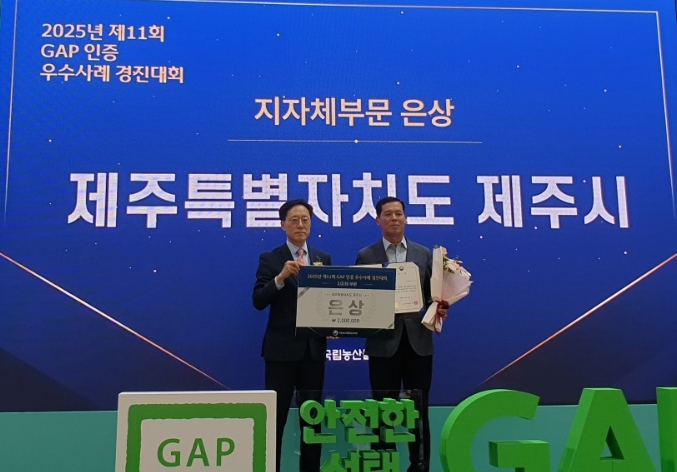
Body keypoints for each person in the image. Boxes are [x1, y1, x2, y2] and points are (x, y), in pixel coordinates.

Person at [355, 196, 446, 472]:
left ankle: (420, 466)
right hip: (383, 345)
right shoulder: (366, 256)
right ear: (378, 220)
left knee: (419, 410)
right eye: (388, 214)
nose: (394, 218)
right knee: (382, 411)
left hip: (418, 344)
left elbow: (433, 296)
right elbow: (360, 299)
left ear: (405, 218)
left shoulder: (423, 254)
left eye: (399, 214)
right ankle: (384, 465)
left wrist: (440, 307)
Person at [253, 199, 331, 472]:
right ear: (283, 224)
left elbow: (328, 302)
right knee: (275, 420)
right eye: (294, 220)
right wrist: (281, 278)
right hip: (281, 353)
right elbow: (258, 300)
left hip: (313, 351)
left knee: (312, 420)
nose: (300, 225)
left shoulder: (322, 258)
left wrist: (332, 325)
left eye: (305, 220)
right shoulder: (270, 258)